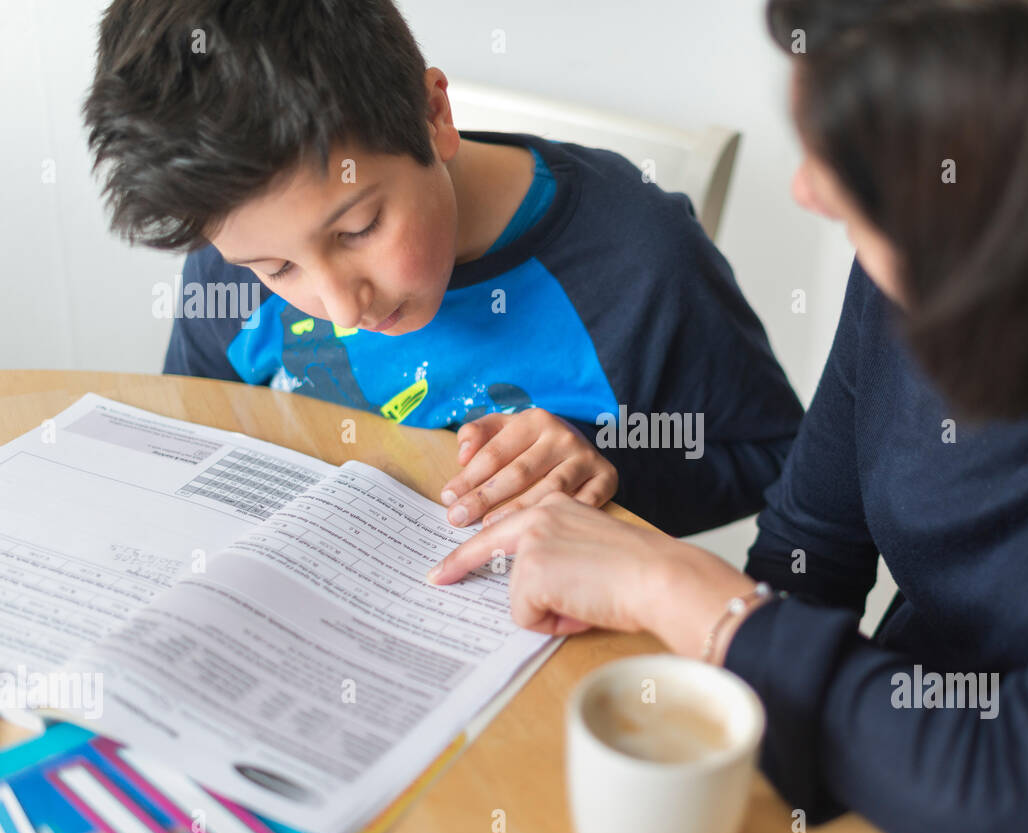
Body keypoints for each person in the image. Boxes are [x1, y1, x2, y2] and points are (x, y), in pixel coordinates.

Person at [429, 0, 1028, 833]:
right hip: (894, 774)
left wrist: (684, 593)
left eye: (861, 178)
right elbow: (812, 545)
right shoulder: (943, 237)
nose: (810, 188)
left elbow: (1007, 800)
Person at [81, 0, 804, 538]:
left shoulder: (640, 259)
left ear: (434, 115)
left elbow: (775, 459)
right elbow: (191, 441)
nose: (337, 306)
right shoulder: (229, 251)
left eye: (359, 228)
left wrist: (607, 466)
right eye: (276, 268)